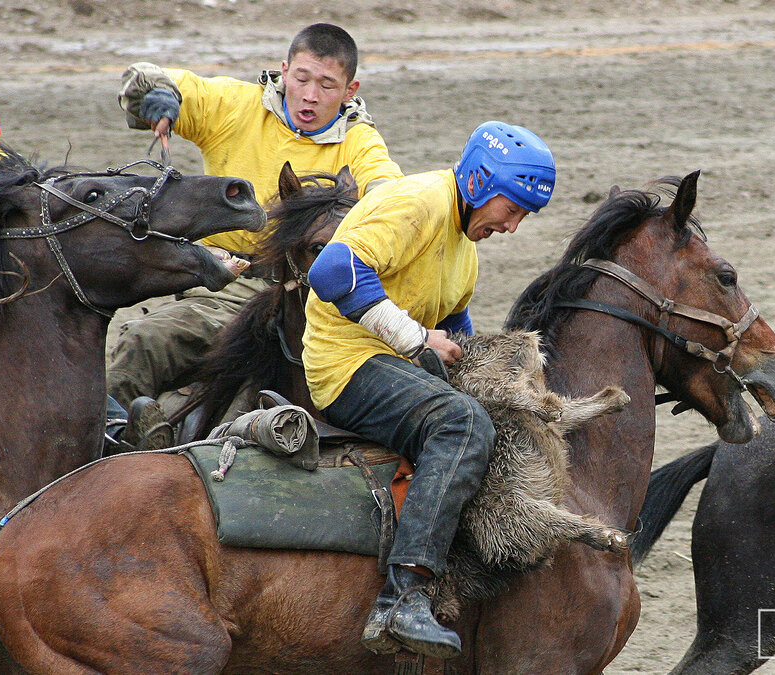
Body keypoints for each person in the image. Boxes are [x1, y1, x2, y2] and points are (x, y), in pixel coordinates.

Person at [302, 121, 555, 657]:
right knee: (461, 423)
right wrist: (416, 340)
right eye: (511, 210)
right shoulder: (419, 202)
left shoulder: (466, 246)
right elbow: (331, 269)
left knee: (489, 416)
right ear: (480, 182)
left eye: (522, 217)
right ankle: (403, 597)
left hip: (393, 362)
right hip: (346, 365)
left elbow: (456, 331)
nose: (512, 227)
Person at [108, 23, 402, 437]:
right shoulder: (237, 106)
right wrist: (157, 98)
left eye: (327, 85)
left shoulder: (360, 144)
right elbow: (149, 78)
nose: (310, 95)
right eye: (301, 78)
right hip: (222, 282)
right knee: (146, 340)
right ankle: (110, 438)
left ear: (350, 91)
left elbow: (389, 193)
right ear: (284, 71)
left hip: (308, 294)